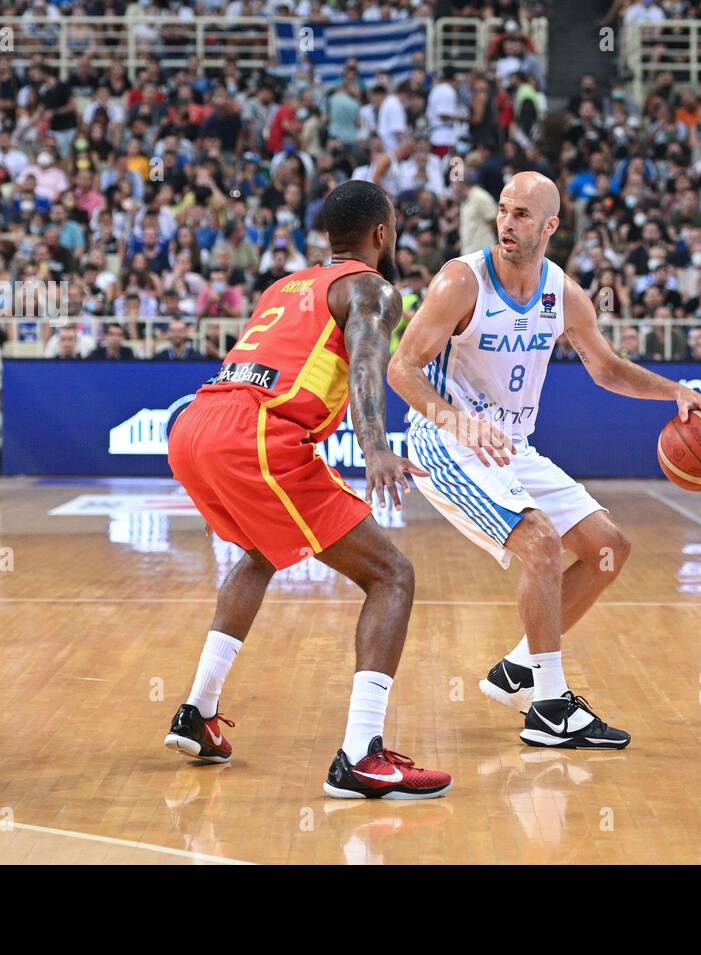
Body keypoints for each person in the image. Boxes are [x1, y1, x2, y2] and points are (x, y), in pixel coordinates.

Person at [388, 172, 701, 750]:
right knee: (542, 543)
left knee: (608, 549)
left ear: (550, 225)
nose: (507, 223)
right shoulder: (459, 281)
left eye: (522, 214)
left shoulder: (563, 293)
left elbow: (608, 369)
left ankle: (519, 669)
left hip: (512, 449)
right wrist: (458, 421)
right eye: (503, 211)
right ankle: (549, 707)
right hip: (445, 443)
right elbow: (402, 368)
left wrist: (675, 390)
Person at [163, 181, 450, 799]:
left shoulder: (285, 285)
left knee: (262, 553)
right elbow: (370, 362)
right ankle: (360, 755)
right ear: (381, 234)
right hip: (257, 434)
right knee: (391, 574)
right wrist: (375, 446)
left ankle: (197, 712)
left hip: (196, 426)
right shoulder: (371, 288)